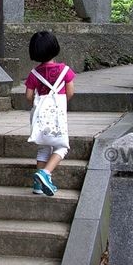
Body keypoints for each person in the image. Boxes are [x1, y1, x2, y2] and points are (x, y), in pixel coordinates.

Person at [25, 31, 75, 196]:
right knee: (62, 147)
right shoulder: (65, 70)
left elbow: (28, 96)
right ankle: (45, 173)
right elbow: (70, 92)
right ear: (55, 48)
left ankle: (37, 186)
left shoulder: (34, 74)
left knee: (43, 147)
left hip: (41, 117)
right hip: (57, 117)